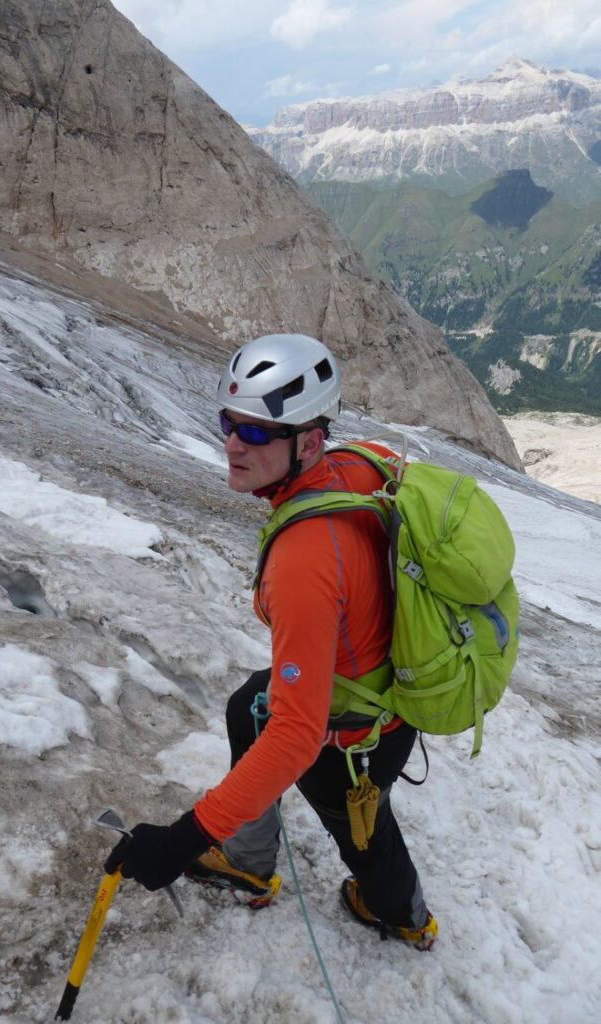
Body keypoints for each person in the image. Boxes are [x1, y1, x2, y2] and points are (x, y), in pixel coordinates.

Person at [105, 333, 438, 950]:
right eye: (230, 423)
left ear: (308, 441)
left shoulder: (303, 562)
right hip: (373, 680)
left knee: (366, 838)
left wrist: (181, 841)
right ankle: (249, 858)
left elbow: (296, 737)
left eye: (257, 432)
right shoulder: (361, 463)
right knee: (246, 707)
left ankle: (405, 915)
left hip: (357, 738)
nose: (233, 444)